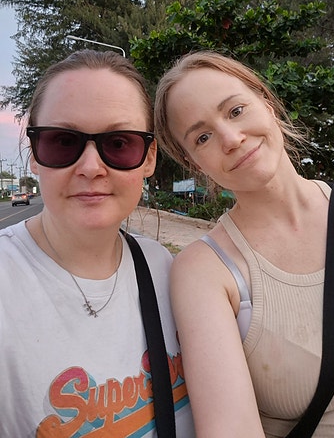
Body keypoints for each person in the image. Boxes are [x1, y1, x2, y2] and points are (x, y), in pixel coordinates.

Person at [154, 50, 334, 438]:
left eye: (236, 111)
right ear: (194, 162)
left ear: (267, 105)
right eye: (203, 137)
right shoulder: (204, 270)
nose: (231, 139)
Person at [0, 50, 195, 437]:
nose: (91, 168)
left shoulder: (166, 269)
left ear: (149, 158)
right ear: (34, 154)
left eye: (119, 143)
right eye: (63, 142)